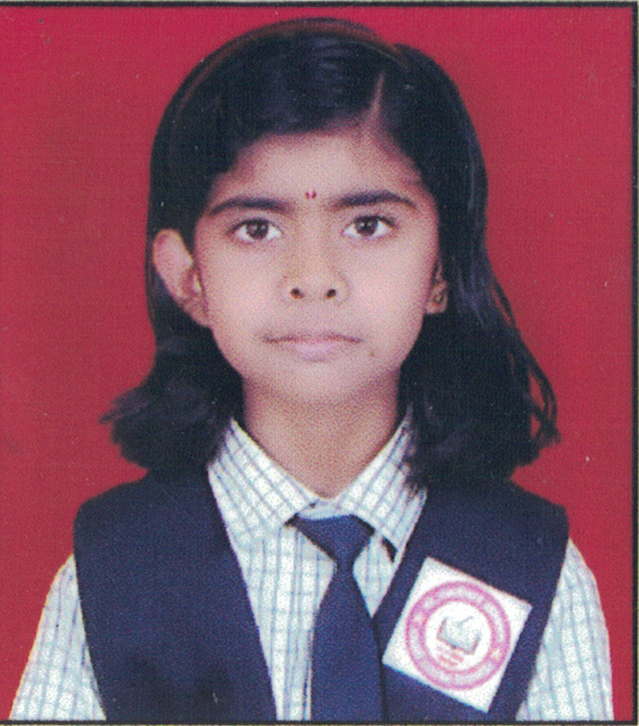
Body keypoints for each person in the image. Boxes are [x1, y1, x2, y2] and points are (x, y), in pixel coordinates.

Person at [11, 17, 612, 722]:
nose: (314, 277)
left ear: (441, 269)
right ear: (188, 278)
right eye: (256, 228)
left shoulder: (530, 567)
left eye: (368, 225)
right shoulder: (114, 571)